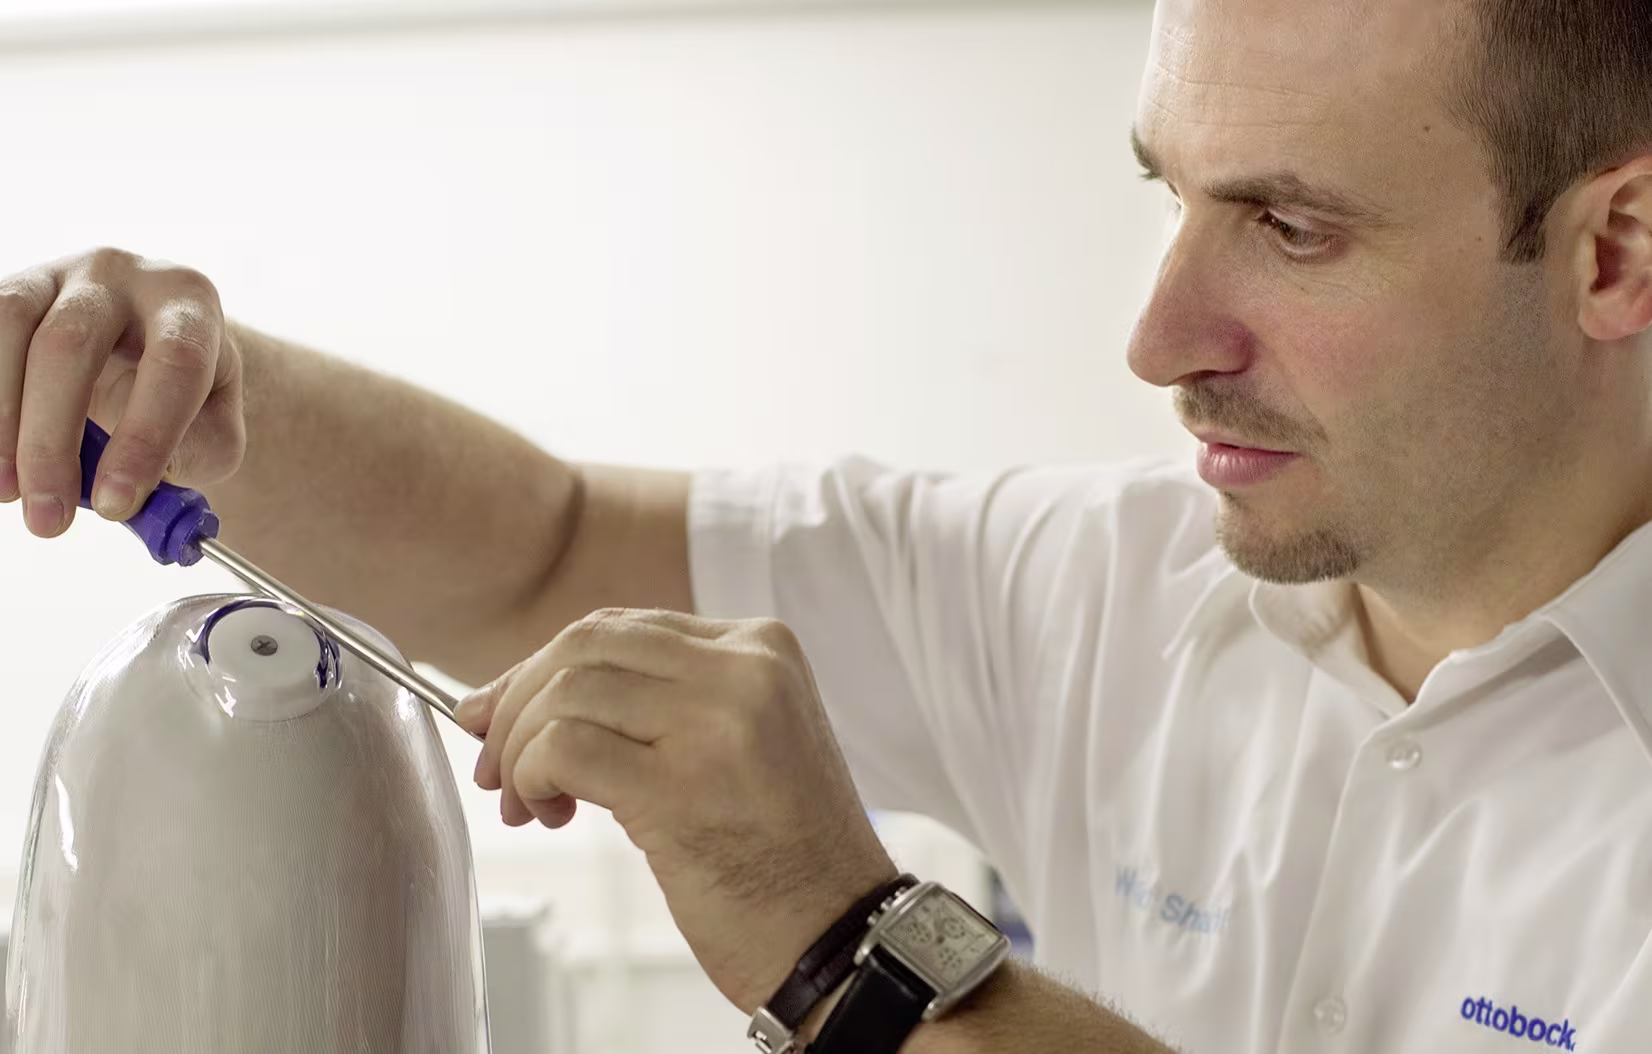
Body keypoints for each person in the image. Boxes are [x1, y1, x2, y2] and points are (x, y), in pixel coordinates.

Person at [3, 0, 1649, 1048]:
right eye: (1173, 195)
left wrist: (852, 943)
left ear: (1615, 252)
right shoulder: (1099, 590)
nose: (1156, 340)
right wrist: (197, 390)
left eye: (1289, 227)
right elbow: (547, 549)